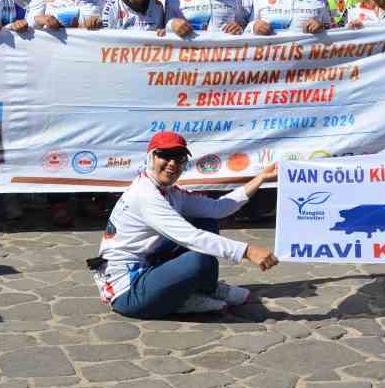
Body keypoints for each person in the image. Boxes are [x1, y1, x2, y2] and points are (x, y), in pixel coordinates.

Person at [92, 131, 278, 318]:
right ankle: (181, 300)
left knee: (206, 220)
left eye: (179, 158)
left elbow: (218, 208)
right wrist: (247, 251)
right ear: (151, 157)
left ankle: (206, 289)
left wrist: (260, 178)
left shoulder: (171, 191)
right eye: (165, 155)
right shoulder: (145, 194)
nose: (172, 163)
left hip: (148, 265)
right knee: (197, 258)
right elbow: (191, 237)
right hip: (128, 293)